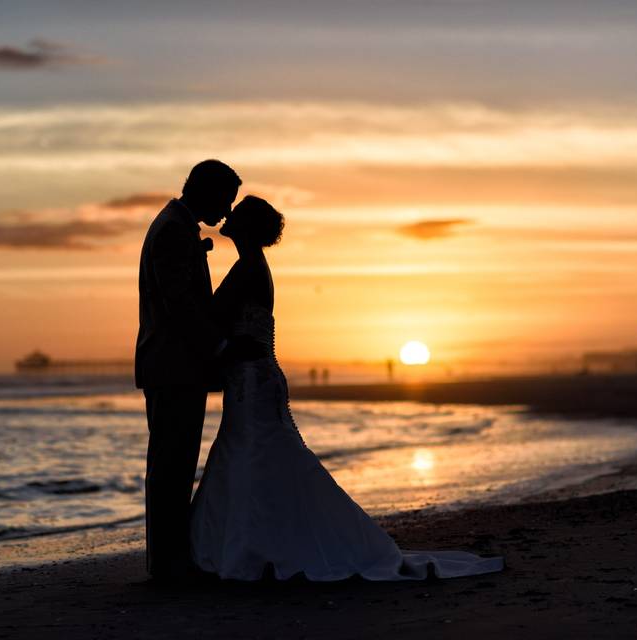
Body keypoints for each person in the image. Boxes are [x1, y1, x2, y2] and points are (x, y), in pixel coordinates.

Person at [189, 196, 503, 581]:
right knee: (256, 453)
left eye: (238, 211)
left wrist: (195, 268)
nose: (228, 213)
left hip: (252, 379)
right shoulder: (251, 267)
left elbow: (211, 319)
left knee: (254, 453)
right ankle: (252, 542)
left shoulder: (248, 268)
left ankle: (251, 547)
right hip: (253, 377)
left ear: (248, 226)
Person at [134, 159, 240, 582]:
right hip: (173, 367)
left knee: (174, 466)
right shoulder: (174, 232)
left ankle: (169, 560)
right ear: (206, 191)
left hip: (174, 366)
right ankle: (167, 565)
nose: (228, 213)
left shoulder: (175, 225)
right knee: (171, 467)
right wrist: (221, 346)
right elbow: (181, 305)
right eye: (226, 201)